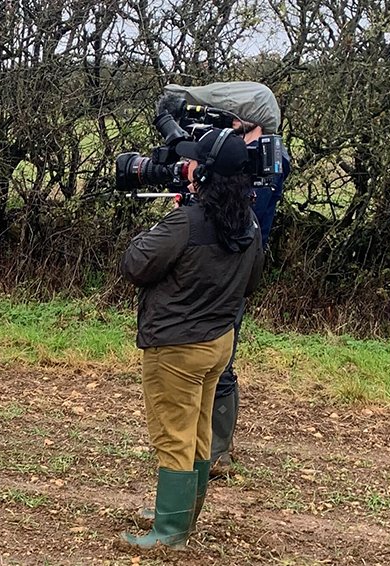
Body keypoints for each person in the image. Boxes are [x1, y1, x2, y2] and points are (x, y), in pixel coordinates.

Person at [118, 128, 264, 550]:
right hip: (218, 342)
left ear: (204, 173)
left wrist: (168, 220)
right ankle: (182, 516)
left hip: (177, 346)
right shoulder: (249, 222)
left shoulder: (186, 222)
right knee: (198, 432)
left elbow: (135, 264)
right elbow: (251, 283)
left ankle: (169, 534)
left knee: (173, 436)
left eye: (195, 161)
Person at [209, 120, 291, 478]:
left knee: (220, 362)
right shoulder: (252, 157)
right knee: (209, 360)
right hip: (216, 268)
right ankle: (207, 447)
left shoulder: (267, 160)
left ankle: (216, 452)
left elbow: (235, 219)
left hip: (230, 271)